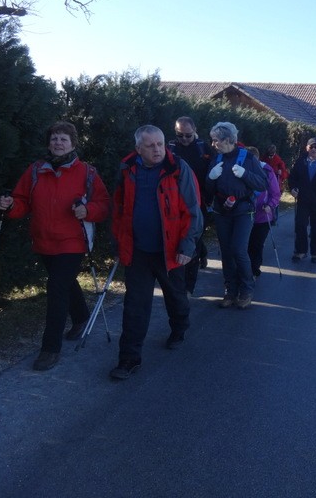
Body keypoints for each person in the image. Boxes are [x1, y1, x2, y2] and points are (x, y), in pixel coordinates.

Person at [0, 121, 110, 372]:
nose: (58, 143)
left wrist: (87, 210)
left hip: (73, 241)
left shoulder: (87, 172)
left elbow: (103, 205)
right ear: (49, 143)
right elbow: (22, 201)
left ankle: (50, 348)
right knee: (65, 282)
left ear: (73, 143)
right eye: (54, 138)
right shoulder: (36, 170)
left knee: (56, 288)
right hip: (43, 239)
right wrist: (10, 205)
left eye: (63, 139)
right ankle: (81, 318)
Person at [110, 125, 203, 380]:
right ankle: (129, 358)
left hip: (170, 250)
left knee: (175, 296)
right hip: (138, 249)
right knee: (135, 305)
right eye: (150, 146)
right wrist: (118, 244)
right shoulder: (127, 169)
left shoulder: (178, 169)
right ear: (138, 148)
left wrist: (187, 246)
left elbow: (193, 210)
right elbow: (118, 209)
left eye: (160, 144)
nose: (157, 149)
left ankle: (179, 327)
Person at [205, 122, 267, 309]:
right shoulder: (216, 159)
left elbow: (262, 184)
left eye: (216, 140)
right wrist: (210, 178)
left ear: (227, 140)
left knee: (238, 249)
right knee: (226, 250)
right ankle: (230, 290)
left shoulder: (247, 157)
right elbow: (207, 192)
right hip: (221, 210)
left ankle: (246, 289)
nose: (213, 144)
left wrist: (245, 174)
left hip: (243, 209)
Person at [168, 116, 214, 296]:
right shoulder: (170, 148)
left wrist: (211, 197)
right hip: (176, 203)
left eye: (188, 135)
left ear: (195, 130)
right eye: (180, 135)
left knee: (192, 241)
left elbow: (214, 175)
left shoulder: (205, 148)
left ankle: (188, 287)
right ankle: (201, 253)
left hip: (199, 203)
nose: (184, 139)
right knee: (185, 239)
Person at [246, 147, 281, 278]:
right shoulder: (240, 170)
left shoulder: (267, 171)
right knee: (245, 245)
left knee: (257, 244)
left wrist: (270, 205)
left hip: (262, 216)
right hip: (244, 215)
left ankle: (254, 269)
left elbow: (275, 193)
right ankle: (245, 270)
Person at [262, 144, 288, 222]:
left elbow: (285, 174)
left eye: (272, 155)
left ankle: (274, 218)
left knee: (274, 200)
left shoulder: (279, 161)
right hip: (265, 184)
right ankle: (266, 217)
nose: (270, 157)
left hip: (276, 184)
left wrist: (281, 172)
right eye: (269, 155)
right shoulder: (263, 159)